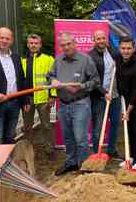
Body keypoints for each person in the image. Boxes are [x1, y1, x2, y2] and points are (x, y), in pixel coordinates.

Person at [47, 32, 100, 176]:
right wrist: (52, 81)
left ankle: (84, 166)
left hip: (80, 104)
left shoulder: (86, 60)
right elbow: (50, 75)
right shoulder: (58, 60)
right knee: (68, 137)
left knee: (80, 138)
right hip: (63, 104)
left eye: (68, 44)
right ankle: (71, 163)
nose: (66, 47)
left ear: (74, 43)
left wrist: (81, 87)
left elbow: (95, 81)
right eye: (63, 45)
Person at [21, 34, 56, 160]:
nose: (33, 45)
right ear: (27, 44)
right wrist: (22, 98)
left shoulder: (48, 59)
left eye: (36, 43)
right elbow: (20, 81)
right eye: (31, 43)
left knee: (46, 126)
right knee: (27, 127)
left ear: (40, 45)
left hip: (43, 98)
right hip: (27, 99)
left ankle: (50, 149)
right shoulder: (22, 60)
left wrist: (52, 95)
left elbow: (53, 78)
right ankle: (28, 151)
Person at [116, 37, 136, 170]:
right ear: (119, 48)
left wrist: (128, 111)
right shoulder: (118, 60)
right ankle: (130, 157)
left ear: (133, 49)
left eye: (129, 48)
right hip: (126, 99)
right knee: (128, 130)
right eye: (123, 48)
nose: (126, 51)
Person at [89, 30, 121, 158]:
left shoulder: (113, 53)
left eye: (103, 38)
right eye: (98, 38)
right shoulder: (90, 57)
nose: (101, 41)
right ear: (94, 40)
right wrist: (103, 92)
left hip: (115, 96)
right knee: (98, 128)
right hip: (99, 97)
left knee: (115, 124)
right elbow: (92, 80)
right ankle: (97, 153)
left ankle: (112, 150)